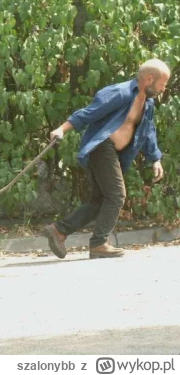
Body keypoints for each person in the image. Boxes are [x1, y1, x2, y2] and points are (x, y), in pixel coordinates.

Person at [44, 59, 170, 259]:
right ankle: (99, 243)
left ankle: (59, 230)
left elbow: (149, 131)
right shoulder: (120, 93)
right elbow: (89, 113)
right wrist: (62, 128)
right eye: (163, 84)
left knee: (100, 200)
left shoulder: (148, 103)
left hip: (114, 154)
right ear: (150, 79)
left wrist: (155, 158)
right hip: (102, 148)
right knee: (117, 195)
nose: (164, 88)